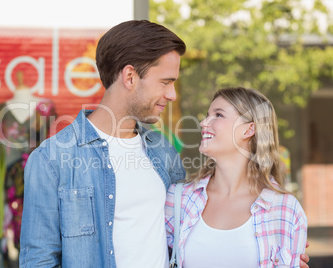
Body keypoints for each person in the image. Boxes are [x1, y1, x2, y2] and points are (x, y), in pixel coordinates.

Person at [19, 20, 187, 267]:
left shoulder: (163, 149)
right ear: (130, 76)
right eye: (165, 82)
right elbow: (38, 260)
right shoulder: (51, 159)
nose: (172, 94)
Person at [165, 87, 308, 267]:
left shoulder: (286, 209)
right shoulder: (178, 200)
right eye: (207, 115)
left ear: (249, 130)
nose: (203, 123)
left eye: (218, 115)